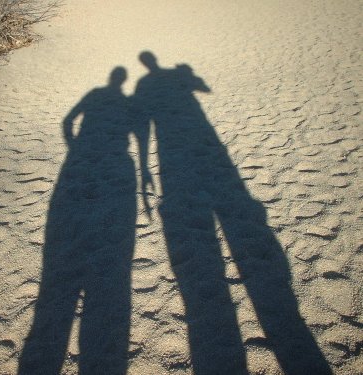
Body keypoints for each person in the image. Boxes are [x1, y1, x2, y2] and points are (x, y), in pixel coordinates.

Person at [133, 51, 332, 374]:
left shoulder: (146, 83)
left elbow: (142, 121)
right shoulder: (171, 78)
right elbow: (203, 89)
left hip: (172, 150)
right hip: (193, 140)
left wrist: (143, 162)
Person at [18, 67, 137, 375]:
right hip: (115, 158)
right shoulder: (122, 99)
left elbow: (68, 120)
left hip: (83, 156)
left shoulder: (98, 94)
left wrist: (74, 145)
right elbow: (137, 128)